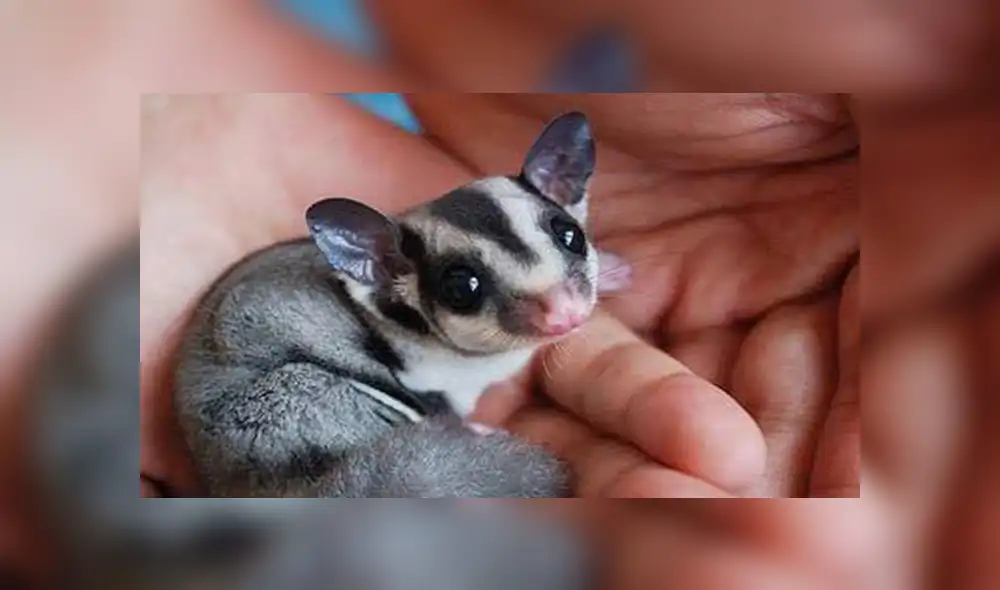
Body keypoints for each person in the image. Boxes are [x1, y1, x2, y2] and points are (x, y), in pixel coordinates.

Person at [3, 1, 998, 588]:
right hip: (283, 411)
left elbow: (538, 280)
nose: (564, 310)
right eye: (477, 283)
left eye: (567, 249)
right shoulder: (383, 300)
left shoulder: (538, 247)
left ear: (569, 194)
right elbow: (446, 349)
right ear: (385, 275)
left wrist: (566, 272)